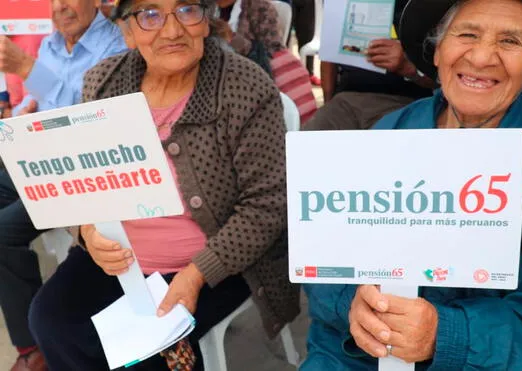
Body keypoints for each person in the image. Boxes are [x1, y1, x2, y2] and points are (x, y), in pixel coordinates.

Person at [301, 0, 522, 369]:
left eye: (510, 41)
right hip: (357, 357)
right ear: (438, 49)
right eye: (466, 34)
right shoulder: (391, 133)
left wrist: (446, 335)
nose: (480, 57)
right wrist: (353, 303)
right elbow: (327, 262)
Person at [26, 0, 299, 370]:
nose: (172, 31)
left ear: (207, 20)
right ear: (127, 32)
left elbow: (268, 205)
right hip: (120, 258)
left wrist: (195, 274)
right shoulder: (103, 82)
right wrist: (87, 232)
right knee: (51, 319)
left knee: (150, 352)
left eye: (187, 9)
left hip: (217, 263)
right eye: (149, 14)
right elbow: (80, 182)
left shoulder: (245, 88)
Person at [0, 1, 127, 370]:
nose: (60, 7)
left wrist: (27, 69)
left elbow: (85, 118)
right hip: (42, 160)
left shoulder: (117, 44)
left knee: (4, 231)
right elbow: (38, 103)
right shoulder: (51, 45)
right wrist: (22, 113)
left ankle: (32, 349)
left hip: (83, 172)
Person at [305, 0, 434, 132]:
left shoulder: (420, 8)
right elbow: (329, 58)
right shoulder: (340, 4)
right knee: (311, 138)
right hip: (345, 101)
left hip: (403, 103)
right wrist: (329, 103)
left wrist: (407, 66)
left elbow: (440, 80)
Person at [214, 0, 318, 124]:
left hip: (262, 75)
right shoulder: (203, 11)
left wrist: (231, 38)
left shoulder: (260, 8)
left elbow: (268, 50)